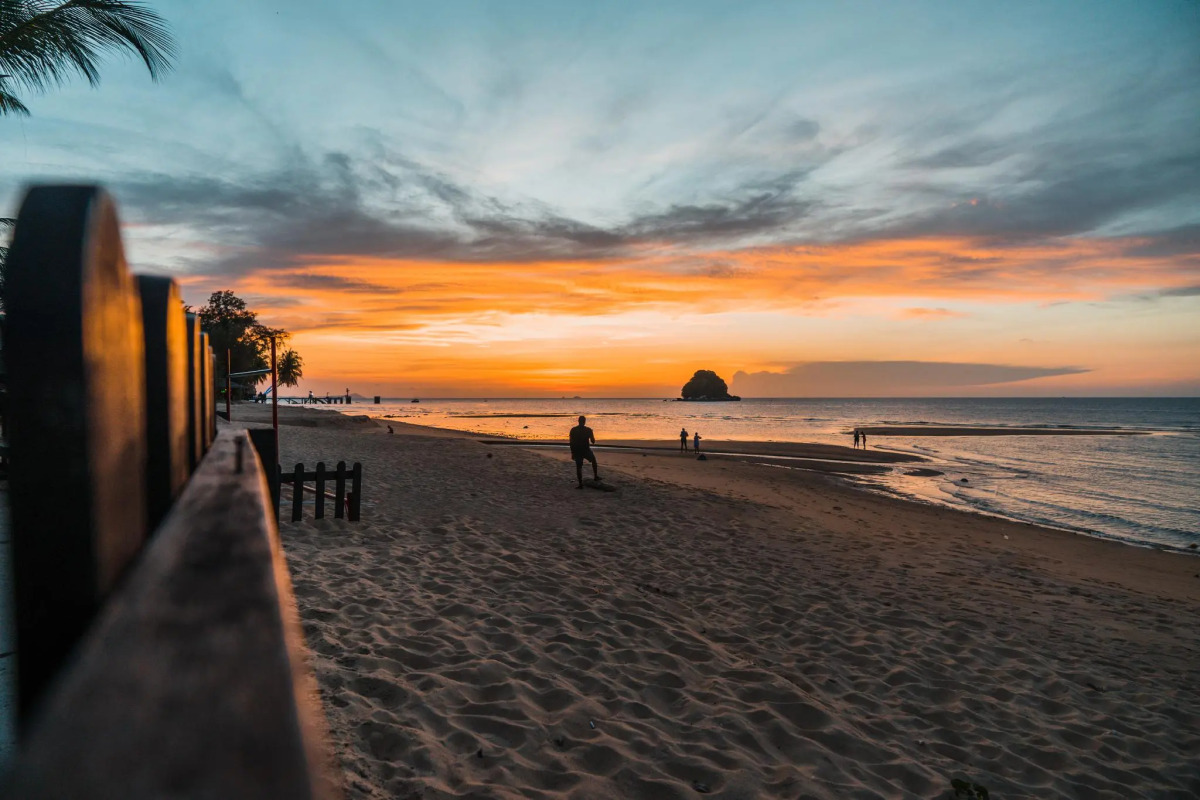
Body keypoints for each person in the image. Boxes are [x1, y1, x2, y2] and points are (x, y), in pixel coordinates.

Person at [570, 415, 600, 488]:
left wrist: (572, 452)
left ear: (578, 421)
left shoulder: (573, 430)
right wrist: (591, 434)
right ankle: (595, 476)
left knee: (579, 467)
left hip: (577, 450)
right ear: (584, 422)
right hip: (585, 450)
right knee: (593, 460)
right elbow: (593, 441)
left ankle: (580, 484)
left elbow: (571, 442)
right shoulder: (588, 430)